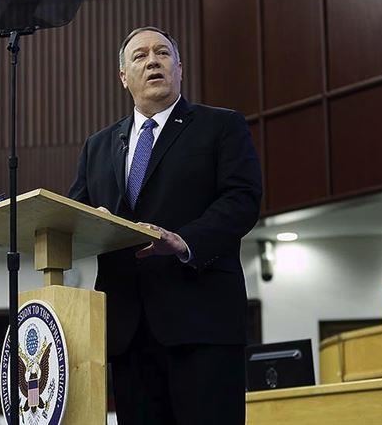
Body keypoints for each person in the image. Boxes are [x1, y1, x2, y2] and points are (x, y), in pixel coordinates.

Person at [68, 26, 262, 425]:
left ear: (179, 68)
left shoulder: (220, 126)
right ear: (123, 77)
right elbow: (76, 213)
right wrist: (91, 220)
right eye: (140, 56)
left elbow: (242, 200)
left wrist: (185, 241)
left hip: (202, 324)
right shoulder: (98, 146)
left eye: (162, 53)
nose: (152, 61)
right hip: (128, 332)